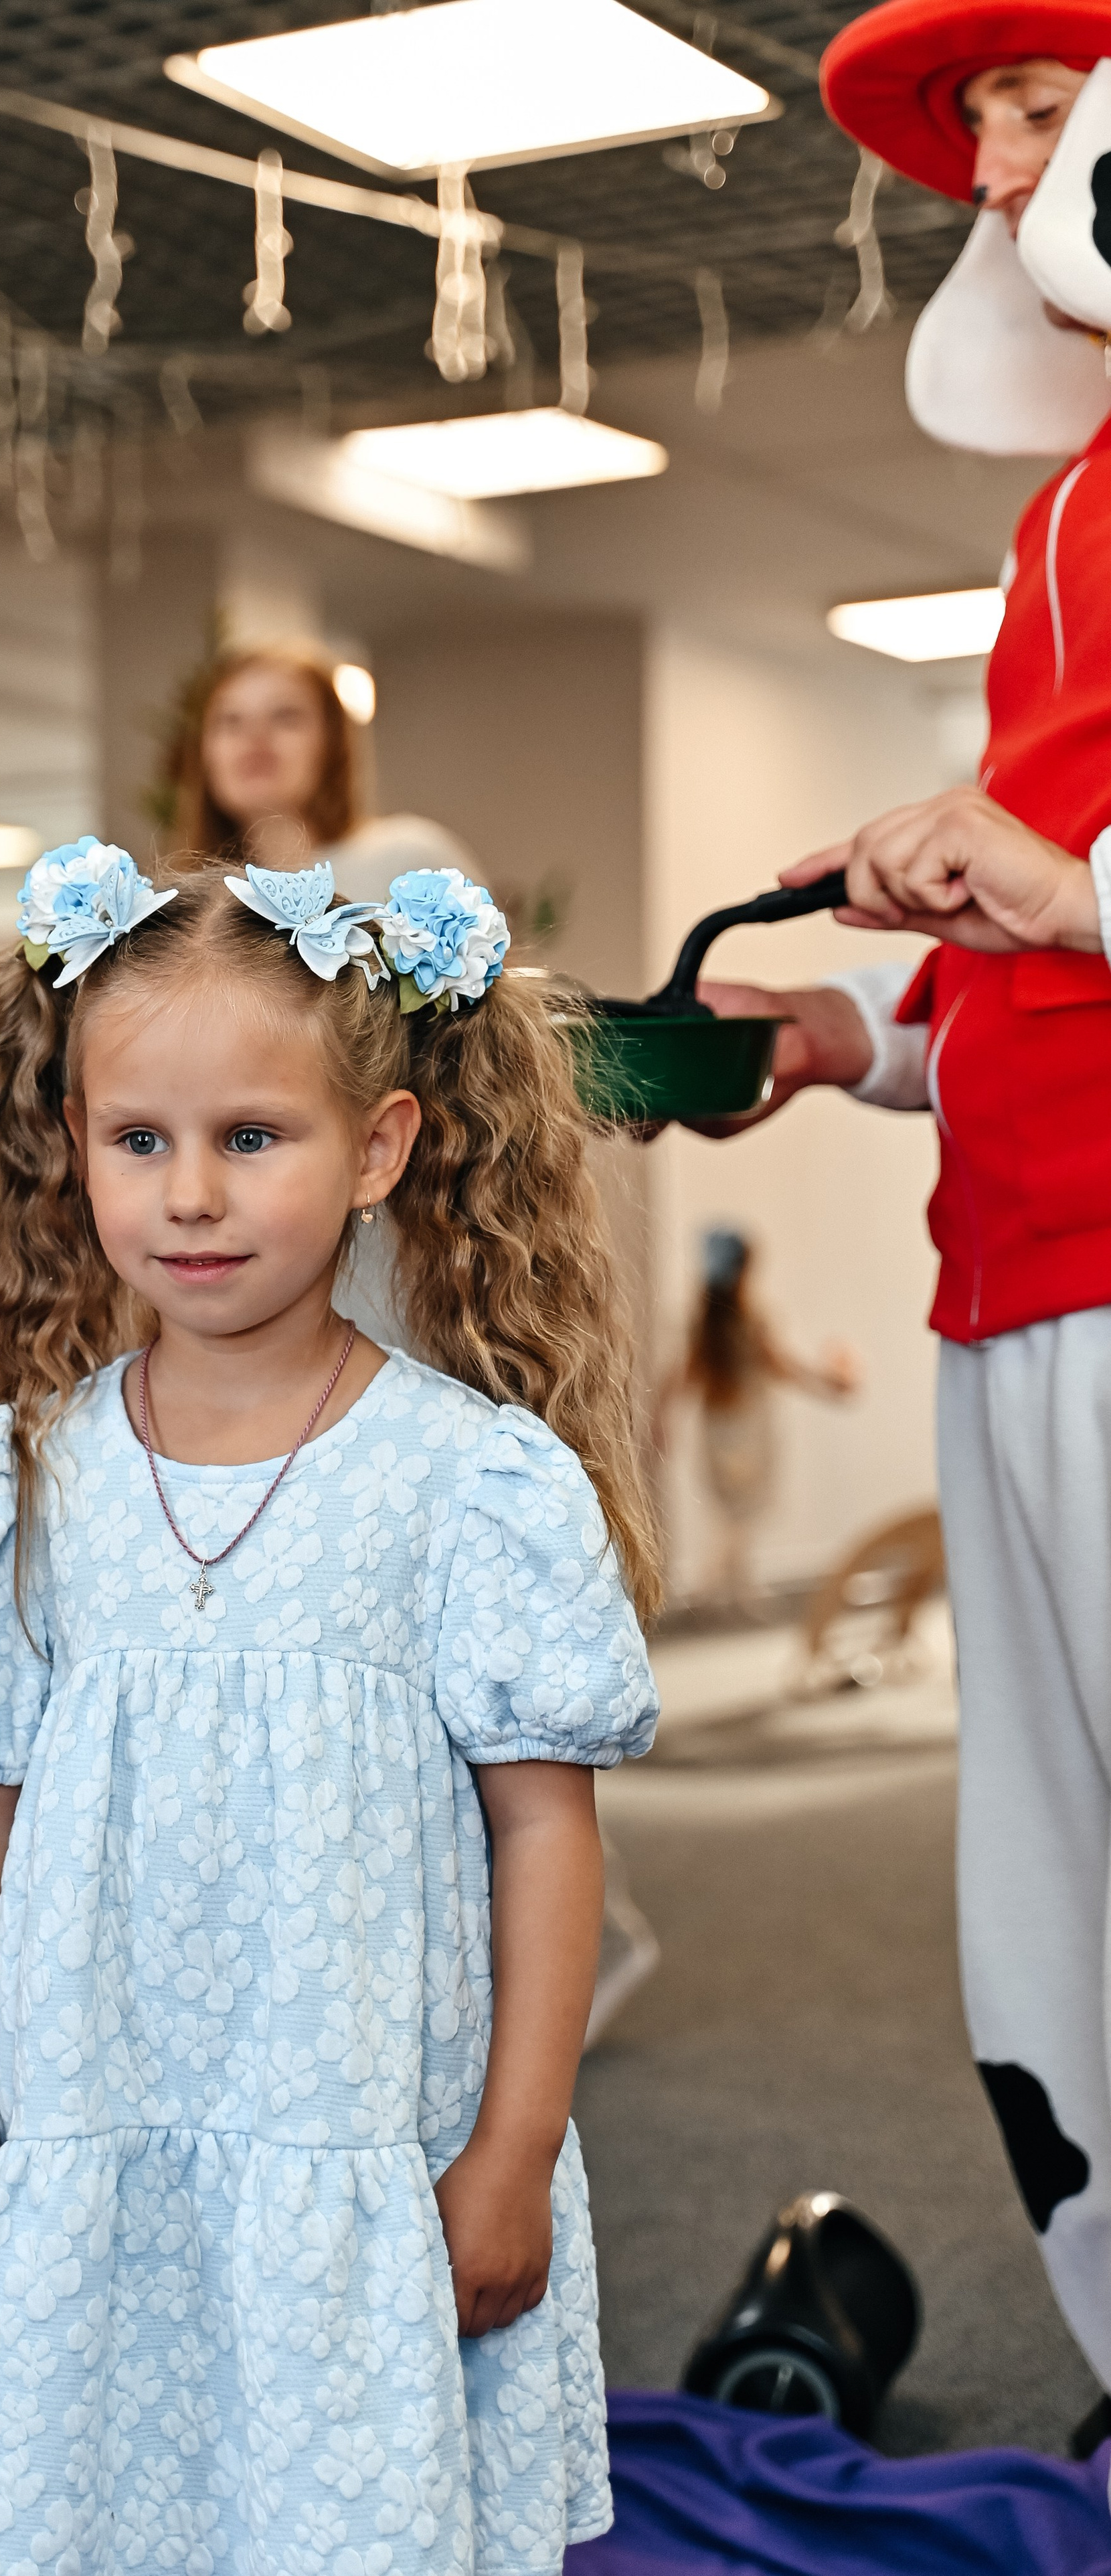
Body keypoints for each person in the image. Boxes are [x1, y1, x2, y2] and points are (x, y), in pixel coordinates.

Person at [0, 838, 661, 2574]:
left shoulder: (471, 1484)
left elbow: (545, 1832)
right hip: (99, 2125)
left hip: (356, 2133)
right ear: (70, 1143)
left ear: (378, 1149)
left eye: (253, 1138)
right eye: (137, 1140)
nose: (191, 1196)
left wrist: (517, 2148)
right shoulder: (19, 1486)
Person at [695, 2, 1111, 2447]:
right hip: (1016, 1272)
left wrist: (1052, 892)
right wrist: (862, 1029)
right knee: (1053, 1888)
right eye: (978, 134)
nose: (997, 167)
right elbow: (1039, 966)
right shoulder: (1055, 515)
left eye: (1044, 109)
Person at [167, 641, 477, 898]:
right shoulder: (187, 900)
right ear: (205, 753)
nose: (254, 737)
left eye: (285, 716)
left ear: (332, 745)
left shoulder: (412, 862)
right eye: (231, 721)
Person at [661, 1227, 860, 1607]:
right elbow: (782, 1365)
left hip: (721, 1425)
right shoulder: (747, 1322)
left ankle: (733, 1580)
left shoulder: (707, 1323)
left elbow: (679, 1377)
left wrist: (662, 1416)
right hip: (745, 1426)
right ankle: (715, 1579)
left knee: (736, 1508)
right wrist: (824, 1383)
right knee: (743, 1506)